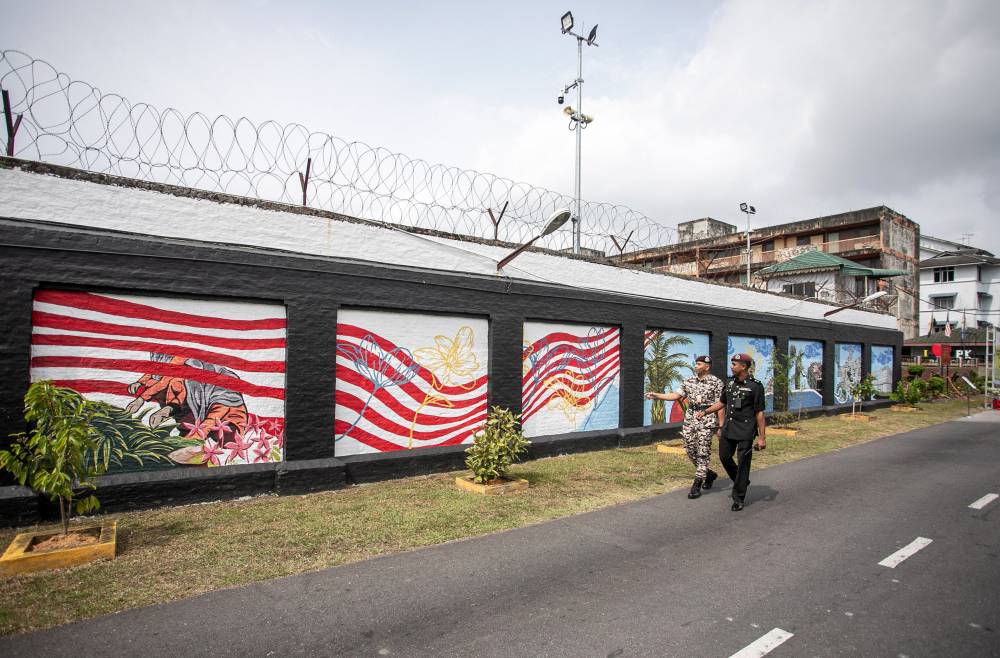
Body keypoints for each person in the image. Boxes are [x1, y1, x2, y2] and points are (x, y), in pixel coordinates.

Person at [645, 355, 725, 499]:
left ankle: (697, 483)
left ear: (707, 367)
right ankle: (709, 474)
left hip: (707, 419)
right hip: (690, 418)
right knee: (689, 448)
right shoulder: (689, 381)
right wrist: (656, 395)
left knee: (703, 451)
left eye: (699, 364)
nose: (696, 366)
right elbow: (676, 395)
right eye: (696, 363)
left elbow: (721, 404)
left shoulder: (716, 382)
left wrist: (721, 426)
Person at [696, 353, 766, 511]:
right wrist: (705, 412)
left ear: (744, 367)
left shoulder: (756, 386)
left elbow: (760, 413)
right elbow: (721, 402)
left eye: (734, 364)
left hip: (746, 431)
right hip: (729, 428)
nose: (731, 366)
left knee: (743, 463)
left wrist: (762, 437)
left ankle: (738, 497)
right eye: (732, 363)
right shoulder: (729, 383)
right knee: (724, 457)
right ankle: (741, 480)